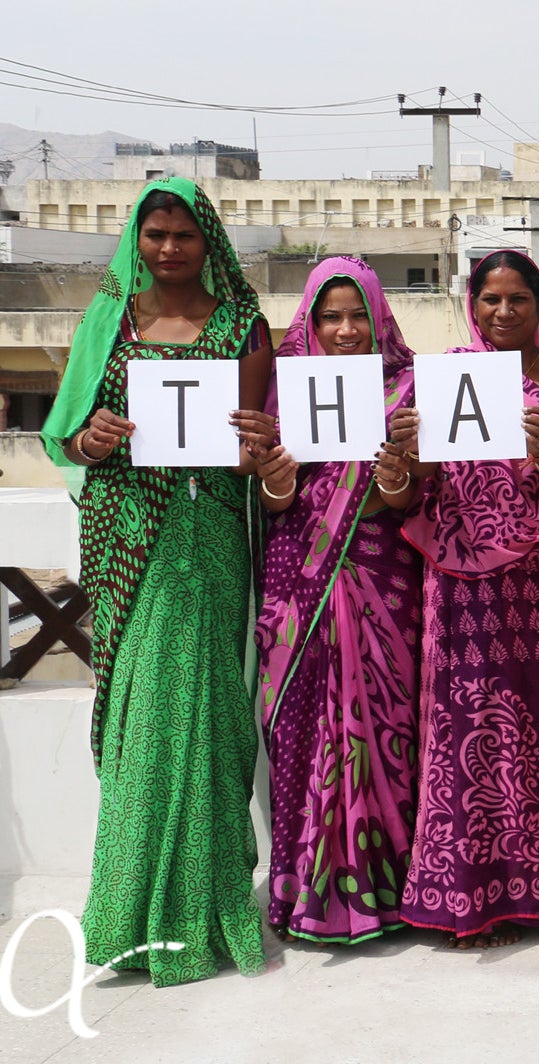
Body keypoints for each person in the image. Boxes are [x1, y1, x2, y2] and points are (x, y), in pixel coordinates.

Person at [41, 179, 271, 986]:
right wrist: (91, 436)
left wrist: (257, 439)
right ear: (135, 240)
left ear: (209, 241)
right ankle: (127, 913)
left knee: (204, 715)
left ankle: (204, 912)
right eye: (154, 234)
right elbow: (62, 438)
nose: (169, 249)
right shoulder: (108, 322)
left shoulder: (244, 325)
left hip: (206, 535)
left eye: (184, 235)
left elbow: (252, 452)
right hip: (125, 538)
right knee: (142, 717)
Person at [394, 249, 539, 949]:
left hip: (538, 572)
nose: (503, 313)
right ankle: (469, 897)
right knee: (459, 721)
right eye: (490, 300)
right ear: (472, 306)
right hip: (456, 573)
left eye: (519, 301)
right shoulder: (445, 375)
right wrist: (409, 455)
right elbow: (414, 486)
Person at [251, 257, 423, 945]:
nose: (348, 330)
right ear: (311, 323)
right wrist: (275, 480)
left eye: (360, 315)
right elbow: (271, 507)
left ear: (380, 319)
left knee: (391, 727)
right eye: (331, 316)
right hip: (299, 585)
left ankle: (391, 887)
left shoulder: (409, 390)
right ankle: (305, 891)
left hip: (384, 581)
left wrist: (397, 475)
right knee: (299, 727)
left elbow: (409, 504)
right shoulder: (284, 398)